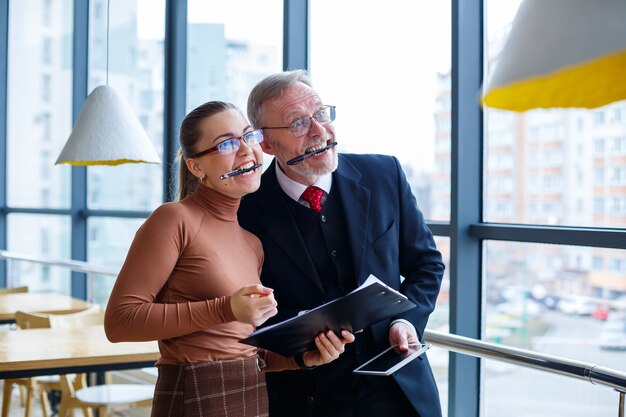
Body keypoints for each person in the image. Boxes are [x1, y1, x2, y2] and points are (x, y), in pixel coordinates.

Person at [104, 100, 354, 417]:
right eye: (226, 144)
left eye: (248, 137)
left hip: (250, 396)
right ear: (196, 167)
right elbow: (119, 322)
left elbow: (240, 350)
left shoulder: (252, 243)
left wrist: (302, 359)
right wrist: (226, 307)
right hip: (193, 396)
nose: (246, 151)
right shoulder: (174, 219)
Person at [238, 71, 445, 417]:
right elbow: (245, 311)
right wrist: (305, 330)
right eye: (298, 123)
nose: (320, 131)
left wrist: (405, 321)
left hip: (398, 392)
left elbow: (426, 265)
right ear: (267, 144)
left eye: (320, 114)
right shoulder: (245, 209)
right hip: (304, 397)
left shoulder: (385, 175)